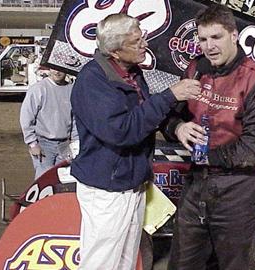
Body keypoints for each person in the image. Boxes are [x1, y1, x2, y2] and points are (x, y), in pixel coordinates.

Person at [70, 13, 201, 270]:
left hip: (132, 184)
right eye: (136, 41)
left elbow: (145, 114)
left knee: (127, 262)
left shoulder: (131, 72)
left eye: (143, 37)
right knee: (101, 263)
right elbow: (122, 131)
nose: (145, 44)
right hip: (107, 190)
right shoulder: (93, 81)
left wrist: (177, 126)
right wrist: (169, 96)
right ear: (115, 51)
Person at [163, 5, 255, 270]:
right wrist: (178, 128)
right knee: (181, 264)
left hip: (239, 190)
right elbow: (168, 117)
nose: (209, 46)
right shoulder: (196, 69)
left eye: (216, 37)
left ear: (234, 35)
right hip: (196, 186)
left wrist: (205, 155)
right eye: (203, 39)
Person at [20, 69, 77, 179]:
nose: (57, 72)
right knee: (44, 180)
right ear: (49, 68)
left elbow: (74, 118)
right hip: (44, 143)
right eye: (53, 68)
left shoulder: (71, 90)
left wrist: (75, 142)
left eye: (60, 69)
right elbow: (26, 117)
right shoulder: (38, 89)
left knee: (62, 179)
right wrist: (32, 143)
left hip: (64, 144)